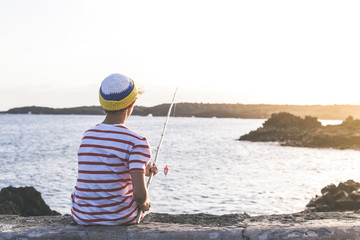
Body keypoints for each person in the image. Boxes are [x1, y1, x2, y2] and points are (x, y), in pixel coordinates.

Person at [71, 73, 158, 225]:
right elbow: (139, 196)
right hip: (118, 217)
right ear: (132, 104)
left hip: (82, 216)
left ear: (103, 103)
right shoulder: (137, 141)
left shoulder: (88, 136)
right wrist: (144, 204)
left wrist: (143, 169)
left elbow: (104, 169)